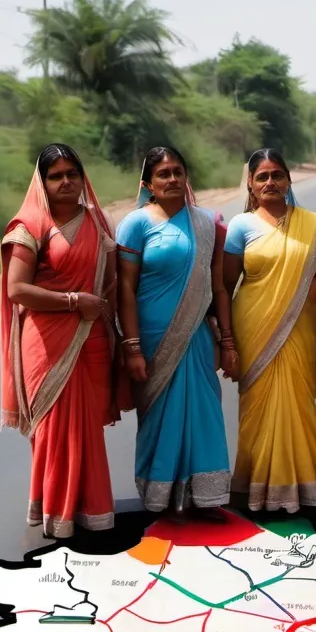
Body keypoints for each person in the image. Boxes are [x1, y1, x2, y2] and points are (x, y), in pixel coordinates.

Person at [1, 142, 127, 539]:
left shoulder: (98, 222)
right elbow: (17, 289)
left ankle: (89, 508)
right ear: (42, 182)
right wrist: (73, 301)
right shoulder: (29, 226)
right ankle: (57, 511)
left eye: (72, 173)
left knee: (86, 425)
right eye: (56, 176)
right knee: (55, 426)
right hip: (48, 340)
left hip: (91, 337)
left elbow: (112, 279)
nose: (66, 182)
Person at [116, 146, 235, 518]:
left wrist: (227, 340)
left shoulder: (206, 223)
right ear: (148, 183)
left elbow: (218, 288)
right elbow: (125, 289)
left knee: (204, 411)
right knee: (158, 418)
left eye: (178, 172)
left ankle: (206, 495)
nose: (172, 179)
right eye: (164, 174)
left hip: (196, 336)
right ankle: (159, 494)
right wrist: (132, 347)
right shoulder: (136, 224)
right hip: (152, 338)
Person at [222, 148, 316, 513]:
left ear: (288, 180)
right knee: (257, 407)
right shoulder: (240, 226)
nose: (270, 182)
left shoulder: (314, 224)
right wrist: (227, 340)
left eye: (277, 175)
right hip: (253, 327)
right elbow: (224, 284)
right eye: (262, 177)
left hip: (301, 328)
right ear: (250, 184)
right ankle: (258, 484)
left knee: (299, 403)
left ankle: (302, 481)